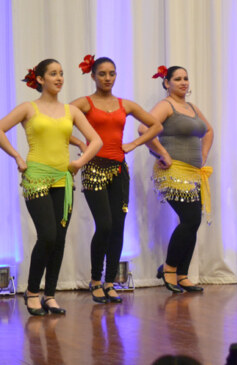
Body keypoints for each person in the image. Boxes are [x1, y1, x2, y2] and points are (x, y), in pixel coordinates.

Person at [0, 59, 102, 315]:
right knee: (47, 235)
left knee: (59, 239)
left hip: (62, 179)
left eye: (61, 74)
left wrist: (78, 162)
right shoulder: (28, 108)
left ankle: (49, 295)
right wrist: (17, 157)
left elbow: (96, 140)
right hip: (36, 176)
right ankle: (32, 292)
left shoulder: (71, 111)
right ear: (41, 79)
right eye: (53, 74)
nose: (59, 78)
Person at [70, 56, 165, 304]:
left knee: (118, 226)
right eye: (102, 73)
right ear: (92, 76)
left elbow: (155, 125)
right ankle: (95, 280)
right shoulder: (85, 103)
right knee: (104, 225)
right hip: (93, 169)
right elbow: (56, 121)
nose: (107, 78)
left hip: (118, 170)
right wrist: (80, 142)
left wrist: (133, 144)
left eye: (112, 73)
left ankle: (110, 281)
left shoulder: (126, 105)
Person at [140, 65, 213, 293]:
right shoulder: (166, 105)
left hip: (193, 173)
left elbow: (208, 130)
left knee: (193, 221)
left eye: (186, 78)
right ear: (166, 83)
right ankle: (169, 267)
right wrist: (162, 153)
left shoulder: (192, 107)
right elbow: (144, 129)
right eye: (178, 79)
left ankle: (182, 274)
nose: (183, 82)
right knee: (190, 219)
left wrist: (202, 155)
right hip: (172, 171)